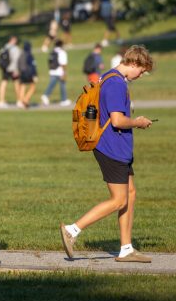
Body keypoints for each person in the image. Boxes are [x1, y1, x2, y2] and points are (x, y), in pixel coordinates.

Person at [59, 45, 155, 263]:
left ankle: (126, 248)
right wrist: (138, 122)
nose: (141, 75)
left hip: (118, 146)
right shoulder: (115, 83)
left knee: (130, 194)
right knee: (119, 200)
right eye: (141, 70)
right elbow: (118, 120)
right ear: (133, 63)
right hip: (111, 148)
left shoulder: (110, 77)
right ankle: (73, 230)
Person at [41, 39, 69, 106]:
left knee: (52, 84)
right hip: (59, 71)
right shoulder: (62, 52)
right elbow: (63, 63)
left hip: (52, 71)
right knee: (62, 85)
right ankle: (63, 100)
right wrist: (64, 72)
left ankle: (46, 96)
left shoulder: (52, 51)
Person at [0, 35, 22, 108]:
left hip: (5, 68)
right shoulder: (15, 48)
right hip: (12, 69)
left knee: (3, 83)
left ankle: (1, 101)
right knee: (17, 83)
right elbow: (16, 60)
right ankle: (19, 101)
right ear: (12, 40)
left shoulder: (4, 47)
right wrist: (16, 70)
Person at [17, 41, 38, 108]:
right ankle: (26, 99)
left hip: (22, 73)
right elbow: (33, 65)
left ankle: (21, 100)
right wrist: (35, 74)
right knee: (33, 86)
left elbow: (18, 64)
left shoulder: (21, 54)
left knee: (23, 86)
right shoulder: (29, 55)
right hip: (28, 73)